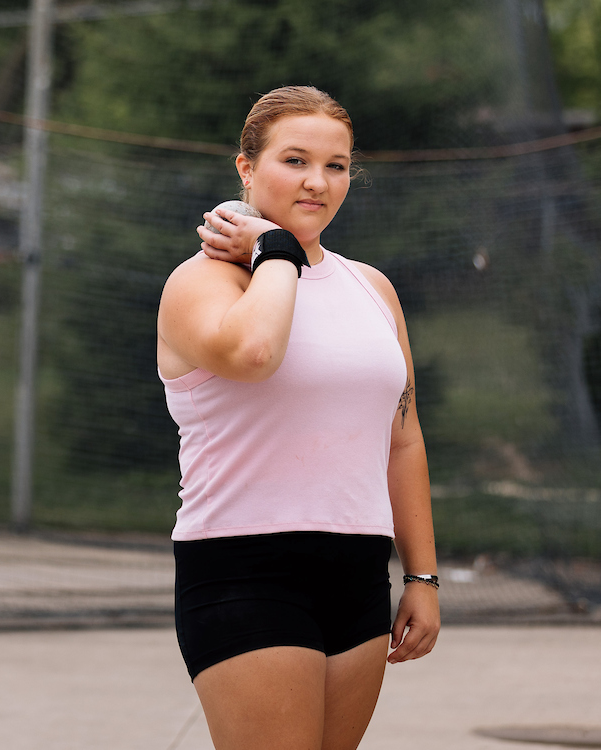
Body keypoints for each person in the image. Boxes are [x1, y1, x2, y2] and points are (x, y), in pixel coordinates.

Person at [156, 85, 439, 750]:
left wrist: (421, 576)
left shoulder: (372, 290)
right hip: (244, 570)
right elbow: (254, 352)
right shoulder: (203, 282)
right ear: (246, 168)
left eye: (336, 165)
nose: (318, 181)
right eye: (294, 160)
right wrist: (276, 248)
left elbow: (402, 439)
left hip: (357, 574)